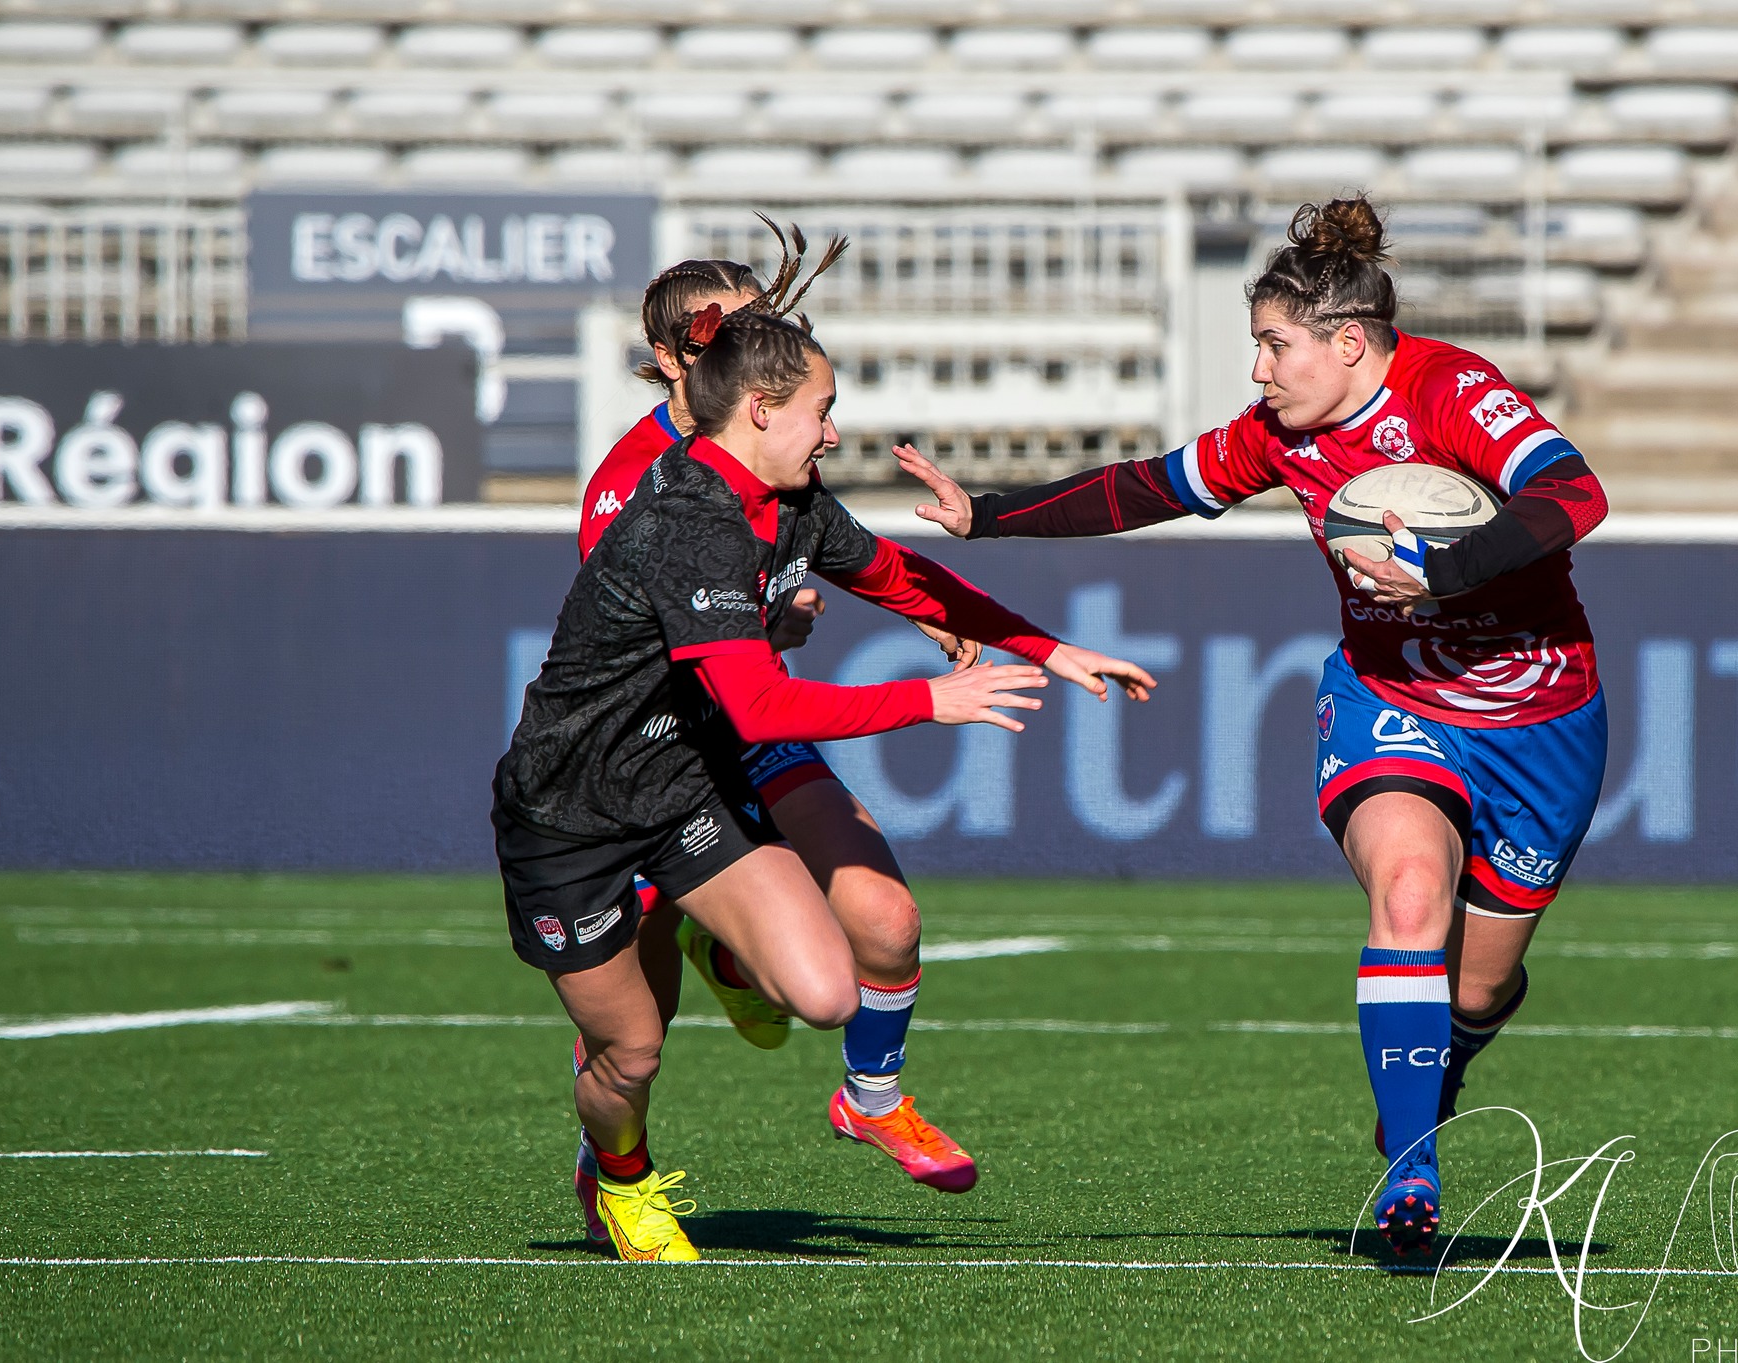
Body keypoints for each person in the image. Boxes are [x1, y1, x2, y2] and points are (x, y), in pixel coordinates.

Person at [891, 196, 1609, 1257]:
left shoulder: (1450, 391)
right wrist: (987, 513)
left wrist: (1445, 568)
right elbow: (1150, 486)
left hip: (1542, 720)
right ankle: (1412, 1172)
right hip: (1391, 701)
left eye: (1275, 346)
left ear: (1349, 343)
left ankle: (1437, 1069)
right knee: (1410, 892)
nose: (1259, 371)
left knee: (1480, 983)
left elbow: (1573, 493)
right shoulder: (1276, 435)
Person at [495, 260, 1156, 1261]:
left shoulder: (787, 491)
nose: (835, 433)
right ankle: (620, 1174)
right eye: (824, 409)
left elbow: (895, 574)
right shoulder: (672, 511)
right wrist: (928, 699)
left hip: (692, 775)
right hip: (574, 806)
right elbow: (749, 692)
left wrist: (1047, 647)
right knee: (629, 1049)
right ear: (746, 398)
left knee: (834, 983)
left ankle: (836, 1060)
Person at [563, 238, 1000, 1254]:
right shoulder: (633, 486)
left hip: (749, 729)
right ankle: (611, 1167)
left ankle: (871, 1096)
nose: (760, 339)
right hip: (650, 760)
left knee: (887, 920)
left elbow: (845, 557)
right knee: (633, 1030)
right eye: (731, 328)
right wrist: (771, 623)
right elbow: (659, 644)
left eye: (766, 319)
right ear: (675, 358)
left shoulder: (780, 457)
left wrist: (934, 612)